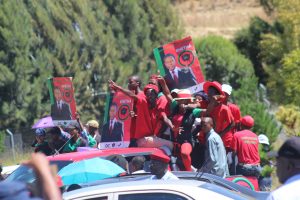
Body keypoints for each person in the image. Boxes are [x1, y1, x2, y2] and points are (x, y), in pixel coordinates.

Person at [109, 80, 174, 151]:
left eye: (151, 94)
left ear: (156, 95)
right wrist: (119, 88)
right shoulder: (144, 101)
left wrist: (173, 127)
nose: (149, 96)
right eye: (148, 94)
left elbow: (165, 119)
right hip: (142, 140)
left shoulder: (158, 108)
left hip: (150, 139)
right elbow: (133, 96)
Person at [203, 81, 234, 153]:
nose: (208, 95)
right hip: (206, 139)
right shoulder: (207, 105)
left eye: (211, 93)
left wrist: (220, 134)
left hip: (218, 140)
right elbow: (206, 116)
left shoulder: (224, 108)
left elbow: (232, 123)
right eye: (208, 93)